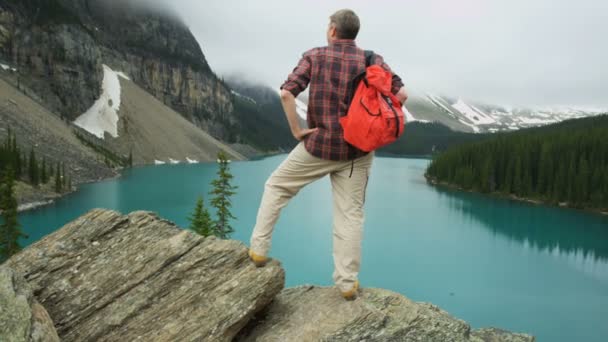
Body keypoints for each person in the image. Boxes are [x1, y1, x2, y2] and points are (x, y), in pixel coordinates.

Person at [248, 9, 408, 300]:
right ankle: (347, 283)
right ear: (354, 33)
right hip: (357, 151)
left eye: (328, 25)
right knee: (350, 215)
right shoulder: (373, 59)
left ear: (333, 30)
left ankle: (258, 250)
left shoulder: (314, 56)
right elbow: (402, 95)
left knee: (276, 186)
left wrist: (297, 131)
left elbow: (286, 93)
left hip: (318, 146)